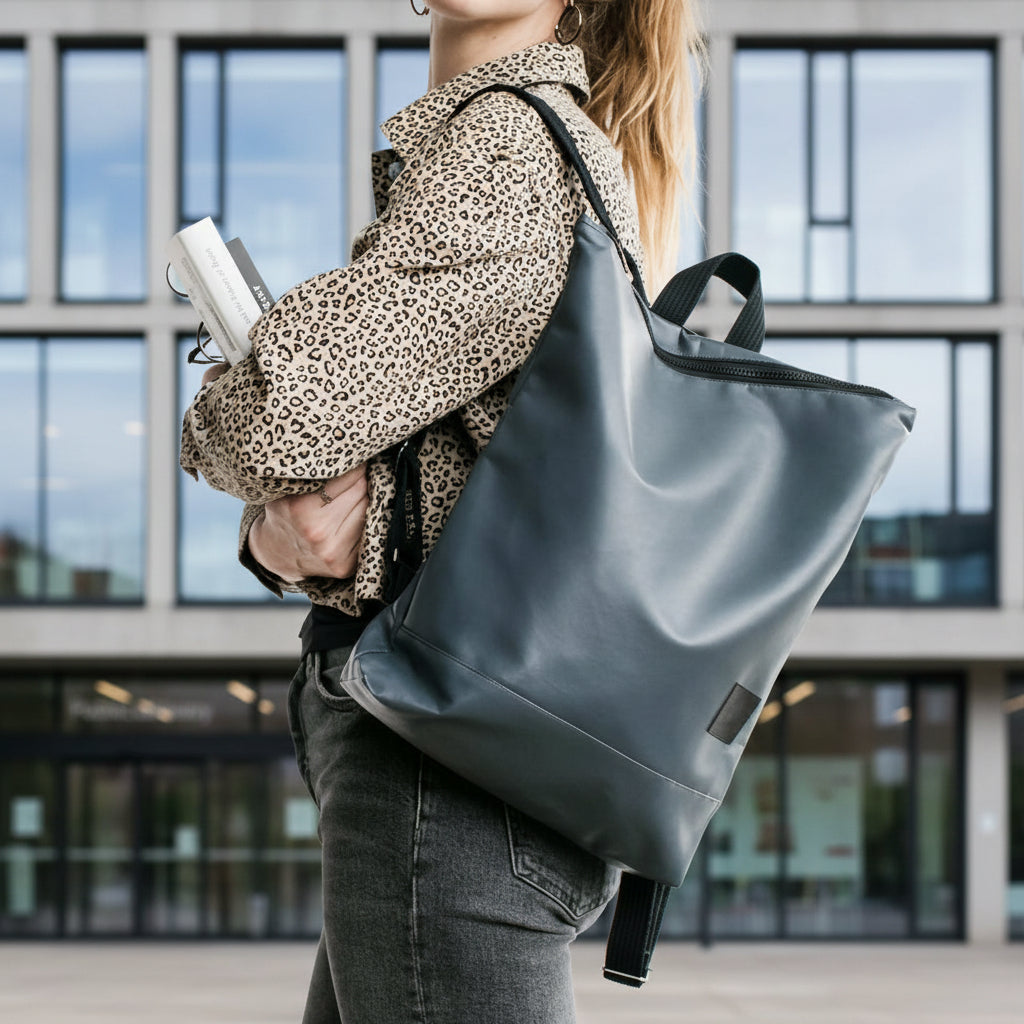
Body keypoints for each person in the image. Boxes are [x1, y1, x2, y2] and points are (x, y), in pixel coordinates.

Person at [180, 1, 703, 1019]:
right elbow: (466, 478)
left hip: (443, 773)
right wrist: (288, 533)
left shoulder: (507, 143)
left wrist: (214, 431)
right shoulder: (482, 143)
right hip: (452, 768)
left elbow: (279, 415)